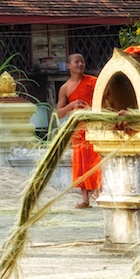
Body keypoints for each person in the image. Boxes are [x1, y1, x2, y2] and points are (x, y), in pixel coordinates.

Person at [56, 53, 101, 208]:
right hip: (78, 129)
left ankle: (98, 191)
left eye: (82, 61)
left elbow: (104, 98)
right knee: (81, 162)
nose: (80, 64)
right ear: (69, 66)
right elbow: (59, 112)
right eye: (77, 62)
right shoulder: (65, 88)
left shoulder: (94, 82)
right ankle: (85, 199)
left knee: (96, 159)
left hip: (94, 125)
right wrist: (72, 105)